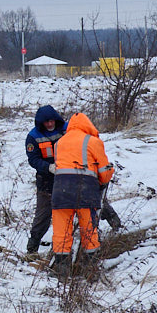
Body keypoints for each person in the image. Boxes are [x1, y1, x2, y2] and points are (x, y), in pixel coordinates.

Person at [50, 112, 115, 276]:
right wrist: (106, 175)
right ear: (88, 125)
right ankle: (90, 267)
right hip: (85, 191)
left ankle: (62, 269)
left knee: (61, 230)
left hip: (60, 190)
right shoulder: (93, 141)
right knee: (89, 230)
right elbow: (104, 172)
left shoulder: (58, 143)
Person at [24, 105, 65, 257]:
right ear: (40, 123)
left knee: (88, 201)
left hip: (69, 176)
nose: (49, 124)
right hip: (46, 180)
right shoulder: (33, 137)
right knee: (43, 214)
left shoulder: (66, 129)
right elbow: (33, 160)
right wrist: (49, 167)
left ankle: (115, 224)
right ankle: (32, 248)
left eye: (51, 121)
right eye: (46, 122)